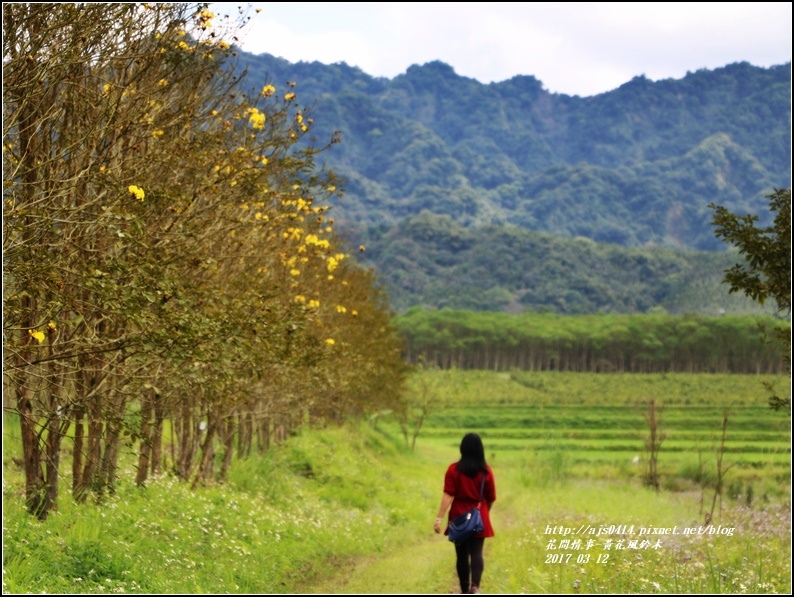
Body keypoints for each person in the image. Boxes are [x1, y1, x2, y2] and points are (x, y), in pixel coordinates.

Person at [433, 432, 496, 594]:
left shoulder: (454, 470)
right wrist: (484, 512)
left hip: (459, 517)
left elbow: (448, 494)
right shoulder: (486, 472)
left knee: (461, 556)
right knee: (477, 553)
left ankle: (464, 590)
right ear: (480, 449)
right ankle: (475, 587)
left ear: (462, 448)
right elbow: (491, 497)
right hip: (479, 514)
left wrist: (439, 518)